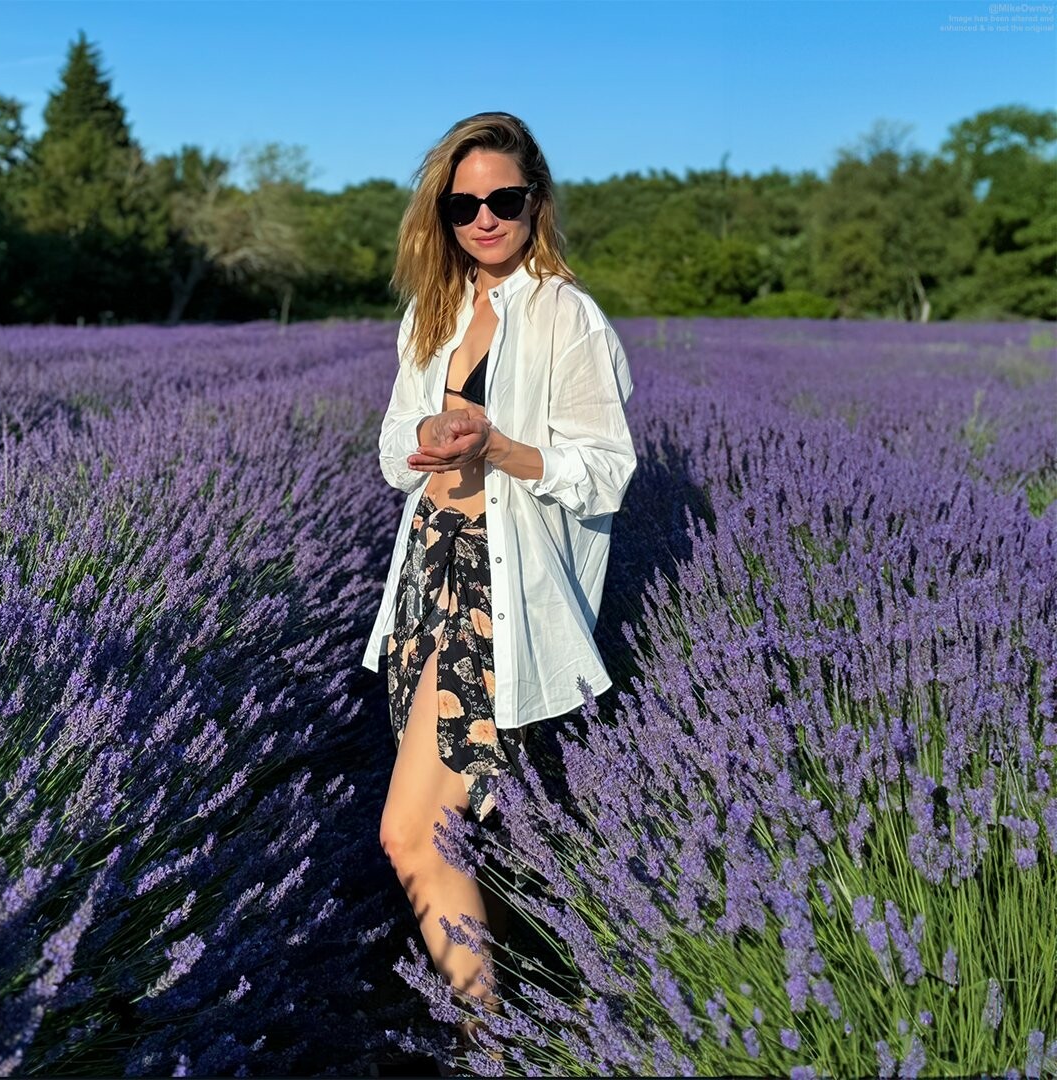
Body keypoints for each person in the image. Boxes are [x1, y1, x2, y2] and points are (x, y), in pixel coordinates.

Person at [362, 111, 637, 1064]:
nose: (484, 218)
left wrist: (501, 447)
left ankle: (490, 1042)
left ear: (535, 202)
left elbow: (606, 471)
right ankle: (501, 1031)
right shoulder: (430, 314)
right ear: (441, 213)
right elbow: (392, 452)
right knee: (444, 826)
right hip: (425, 578)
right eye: (464, 204)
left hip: (495, 588)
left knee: (412, 833)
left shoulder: (566, 315)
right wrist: (428, 438)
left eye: (504, 200)